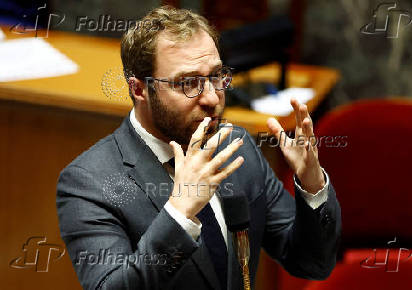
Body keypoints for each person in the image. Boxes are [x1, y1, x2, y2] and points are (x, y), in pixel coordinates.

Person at [56, 5, 341, 290]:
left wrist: (312, 184)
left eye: (217, 76)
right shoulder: (89, 182)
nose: (211, 98)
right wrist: (179, 214)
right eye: (188, 83)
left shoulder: (236, 148)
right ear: (139, 89)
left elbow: (312, 263)